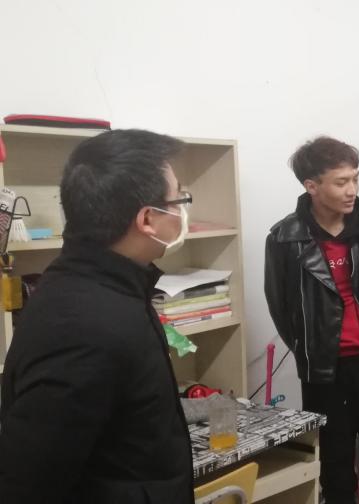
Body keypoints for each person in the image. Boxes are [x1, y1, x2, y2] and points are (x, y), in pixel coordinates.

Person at [0, 129, 194, 502]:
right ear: (147, 219)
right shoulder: (83, 327)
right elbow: (27, 484)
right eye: (179, 199)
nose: (184, 213)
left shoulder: (110, 286)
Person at [264, 136, 359, 504]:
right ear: (312, 186)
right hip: (326, 372)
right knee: (336, 468)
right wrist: (309, 350)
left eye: (355, 179)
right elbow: (280, 307)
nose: (352, 190)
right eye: (341, 182)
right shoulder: (284, 238)